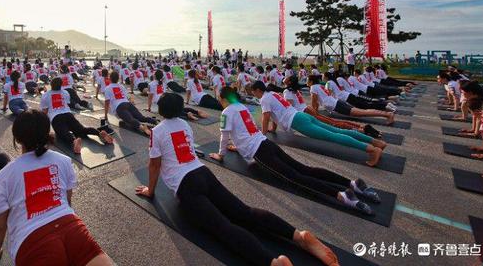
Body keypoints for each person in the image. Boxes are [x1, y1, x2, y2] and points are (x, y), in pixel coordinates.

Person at [135, 93, 338, 266]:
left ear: (160, 110)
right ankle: (298, 236)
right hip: (204, 174)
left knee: (222, 227)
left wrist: (150, 191)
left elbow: (154, 165)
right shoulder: (184, 125)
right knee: (244, 212)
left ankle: (273, 262)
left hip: (186, 186)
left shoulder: (157, 131)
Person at [0, 110, 113, 266]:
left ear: (17, 139)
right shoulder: (64, 161)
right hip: (72, 229)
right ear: (47, 133)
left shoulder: (3, 176)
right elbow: (67, 200)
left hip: (32, 241)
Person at [211, 87, 379, 215]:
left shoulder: (226, 112)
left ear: (223, 98)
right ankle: (351, 183)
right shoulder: (242, 107)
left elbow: (224, 136)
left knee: (295, 178)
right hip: (266, 144)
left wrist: (221, 154)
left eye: (219, 97)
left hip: (260, 152)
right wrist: (238, 147)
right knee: (305, 170)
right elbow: (244, 132)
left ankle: (341, 195)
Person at [251, 81, 385, 167]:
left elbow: (266, 117)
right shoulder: (273, 93)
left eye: (253, 91)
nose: (253, 94)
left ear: (257, 90)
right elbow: (275, 115)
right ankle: (376, 142)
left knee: (333, 136)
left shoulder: (264, 99)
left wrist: (262, 134)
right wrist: (272, 130)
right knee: (337, 131)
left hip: (298, 120)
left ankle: (372, 150)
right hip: (302, 115)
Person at [40, 77, 113, 154]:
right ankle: (99, 133)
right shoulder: (65, 93)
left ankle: (74, 141)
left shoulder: (45, 95)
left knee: (63, 134)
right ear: (61, 85)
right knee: (82, 130)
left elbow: (45, 112)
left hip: (56, 118)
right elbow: (66, 104)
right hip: (68, 115)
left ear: (51, 84)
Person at [308, 76, 394, 125]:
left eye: (308, 80)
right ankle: (387, 114)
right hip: (337, 103)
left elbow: (314, 103)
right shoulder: (319, 86)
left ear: (311, 81)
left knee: (363, 113)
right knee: (362, 112)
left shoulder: (313, 88)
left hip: (336, 105)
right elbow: (317, 104)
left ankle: (388, 114)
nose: (307, 82)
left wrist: (314, 114)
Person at [103, 71, 155, 137]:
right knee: (141, 117)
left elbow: (106, 103)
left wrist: (105, 116)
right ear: (118, 78)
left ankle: (143, 128)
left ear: (110, 78)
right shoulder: (121, 86)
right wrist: (132, 105)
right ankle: (154, 121)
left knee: (131, 120)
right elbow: (129, 97)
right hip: (128, 104)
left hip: (119, 107)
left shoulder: (107, 88)